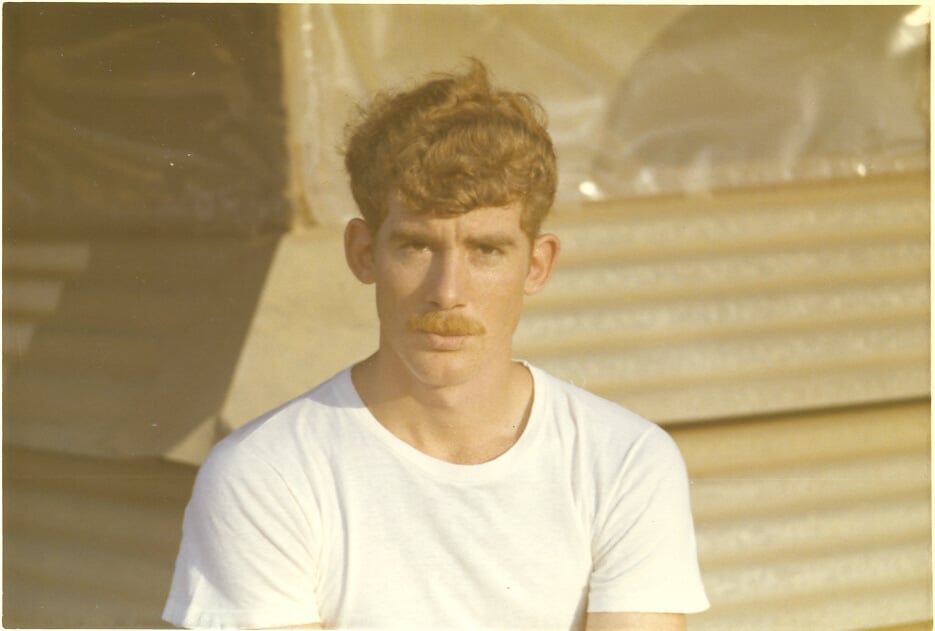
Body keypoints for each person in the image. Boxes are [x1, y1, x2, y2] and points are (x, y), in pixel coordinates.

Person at [163, 60, 709, 631]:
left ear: (538, 264)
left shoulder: (624, 460)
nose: (447, 293)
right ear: (363, 252)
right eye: (417, 246)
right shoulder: (264, 474)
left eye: (486, 251)